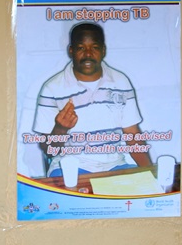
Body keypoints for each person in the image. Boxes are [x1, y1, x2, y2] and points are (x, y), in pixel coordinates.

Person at [32, 22, 151, 177]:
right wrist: (60, 129)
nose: (88, 54)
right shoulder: (52, 88)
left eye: (94, 47)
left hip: (115, 166)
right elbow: (48, 150)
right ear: (71, 50)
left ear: (103, 51)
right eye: (81, 48)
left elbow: (133, 136)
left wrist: (151, 174)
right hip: (69, 168)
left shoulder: (121, 82)